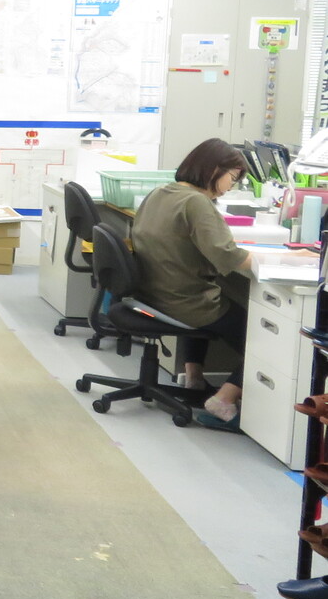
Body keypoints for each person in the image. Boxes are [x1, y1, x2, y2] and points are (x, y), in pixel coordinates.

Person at [130, 137, 312, 432]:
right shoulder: (196, 203)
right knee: (265, 337)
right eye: (232, 177)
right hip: (186, 302)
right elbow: (229, 256)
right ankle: (224, 399)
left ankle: (194, 379)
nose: (231, 185)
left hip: (154, 293)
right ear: (214, 170)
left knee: (213, 289)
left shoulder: (161, 193)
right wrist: (293, 258)